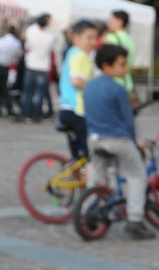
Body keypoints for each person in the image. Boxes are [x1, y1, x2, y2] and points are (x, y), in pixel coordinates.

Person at [85, 43, 154, 240]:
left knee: (97, 177)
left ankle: (90, 209)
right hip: (117, 140)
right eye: (121, 65)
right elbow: (128, 121)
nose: (125, 69)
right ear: (106, 66)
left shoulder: (89, 85)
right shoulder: (118, 89)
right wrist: (136, 143)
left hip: (95, 139)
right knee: (137, 175)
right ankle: (135, 220)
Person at [57, 19, 99, 162]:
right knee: (88, 156)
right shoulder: (80, 55)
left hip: (66, 108)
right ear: (76, 38)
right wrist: (96, 88)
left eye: (95, 38)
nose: (93, 42)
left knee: (77, 157)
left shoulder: (71, 52)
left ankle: (73, 180)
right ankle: (90, 182)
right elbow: (76, 80)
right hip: (77, 109)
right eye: (89, 38)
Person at [20, 13, 56, 122]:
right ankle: (36, 114)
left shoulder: (30, 31)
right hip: (43, 66)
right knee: (40, 93)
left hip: (31, 64)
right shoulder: (50, 36)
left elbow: (27, 46)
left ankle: (25, 113)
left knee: (27, 91)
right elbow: (50, 50)